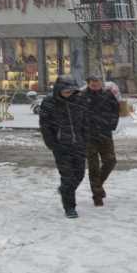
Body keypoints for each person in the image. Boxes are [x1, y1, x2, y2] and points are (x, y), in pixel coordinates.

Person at [40, 75, 90, 218]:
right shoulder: (49, 102)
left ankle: (65, 190)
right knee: (68, 177)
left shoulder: (80, 101)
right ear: (58, 90)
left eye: (71, 91)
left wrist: (84, 139)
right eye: (65, 92)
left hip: (78, 144)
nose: (69, 94)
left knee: (79, 175)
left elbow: (85, 122)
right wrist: (53, 145)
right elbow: (45, 126)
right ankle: (70, 207)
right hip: (61, 146)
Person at [78, 73, 120, 206]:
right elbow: (77, 115)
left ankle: (98, 185)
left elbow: (115, 109)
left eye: (98, 85)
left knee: (110, 161)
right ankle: (97, 195)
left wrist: (111, 124)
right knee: (94, 167)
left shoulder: (107, 94)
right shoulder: (82, 96)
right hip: (89, 137)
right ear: (88, 84)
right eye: (93, 85)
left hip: (105, 134)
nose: (96, 87)